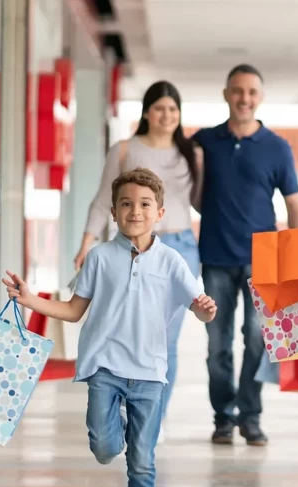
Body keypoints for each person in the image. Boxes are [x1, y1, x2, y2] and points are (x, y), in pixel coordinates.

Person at [3, 168, 217, 487]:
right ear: (115, 214)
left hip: (150, 374)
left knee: (142, 460)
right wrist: (30, 300)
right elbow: (73, 310)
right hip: (104, 367)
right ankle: (117, 426)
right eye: (126, 204)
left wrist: (205, 310)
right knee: (104, 448)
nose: (135, 211)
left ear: (160, 213)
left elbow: (200, 310)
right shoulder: (100, 258)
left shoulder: (172, 262)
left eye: (144, 204)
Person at [73, 81, 203, 431]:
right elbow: (103, 200)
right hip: (129, 247)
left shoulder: (192, 153)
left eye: (173, 109)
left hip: (180, 248)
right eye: (160, 108)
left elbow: (204, 203)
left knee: (167, 341)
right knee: (123, 331)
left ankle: (152, 425)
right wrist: (86, 242)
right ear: (147, 111)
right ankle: (117, 405)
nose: (167, 115)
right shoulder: (125, 149)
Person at [192, 64, 298, 446]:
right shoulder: (204, 141)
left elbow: (294, 207)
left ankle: (250, 415)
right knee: (217, 346)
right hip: (215, 257)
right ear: (226, 94)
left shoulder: (277, 147)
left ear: (260, 98)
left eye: (252, 92)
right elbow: (191, 196)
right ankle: (223, 417)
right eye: (237, 91)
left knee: (258, 339)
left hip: (264, 260)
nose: (244, 98)